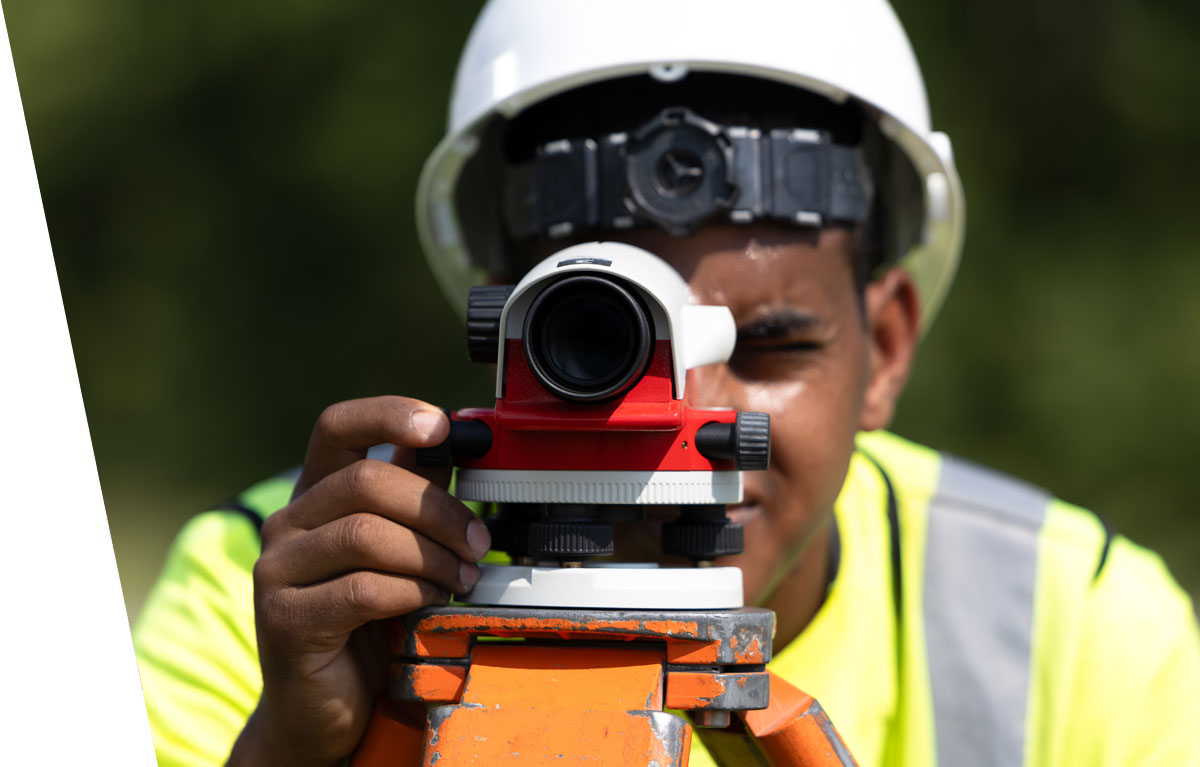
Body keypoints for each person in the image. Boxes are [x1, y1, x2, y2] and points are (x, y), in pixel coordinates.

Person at [132, 1, 1200, 765]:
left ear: (889, 347)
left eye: (771, 349)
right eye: (608, 350)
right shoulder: (279, 585)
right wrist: (298, 746)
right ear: (504, 333)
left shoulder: (1077, 623)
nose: (693, 419)